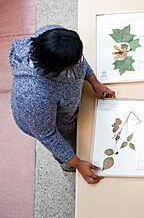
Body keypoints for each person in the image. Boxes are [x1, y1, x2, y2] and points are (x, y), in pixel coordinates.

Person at [9, 25, 115, 184]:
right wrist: (78, 163)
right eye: (76, 61)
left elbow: (81, 62)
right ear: (58, 69)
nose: (81, 61)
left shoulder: (57, 38)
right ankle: (68, 166)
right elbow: (47, 134)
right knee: (70, 144)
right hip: (49, 123)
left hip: (62, 106)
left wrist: (94, 82)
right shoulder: (33, 95)